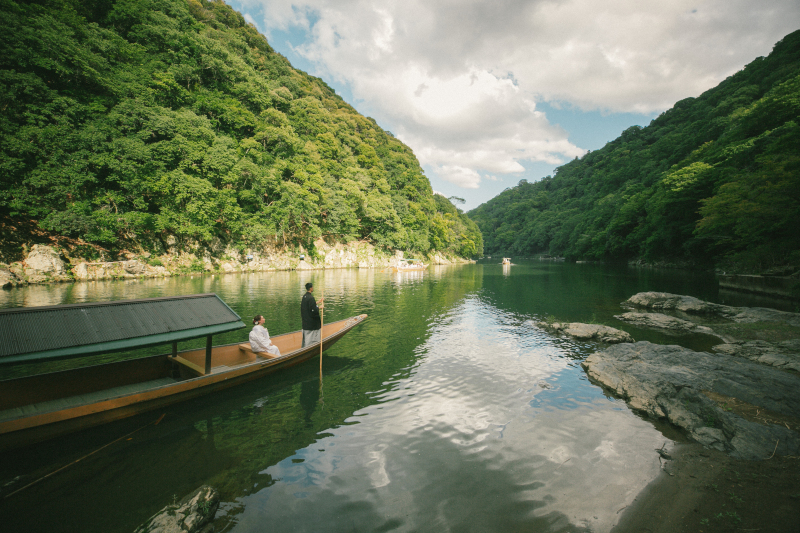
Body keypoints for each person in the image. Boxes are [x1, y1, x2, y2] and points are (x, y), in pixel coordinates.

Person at [300, 282, 324, 347]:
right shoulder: (311, 298)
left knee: (306, 338)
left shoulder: (304, 297)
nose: (313, 288)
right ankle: (311, 346)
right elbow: (313, 310)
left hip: (305, 322)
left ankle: (305, 346)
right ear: (310, 288)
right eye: (312, 287)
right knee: (310, 338)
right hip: (310, 324)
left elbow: (309, 305)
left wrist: (319, 301)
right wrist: (319, 307)